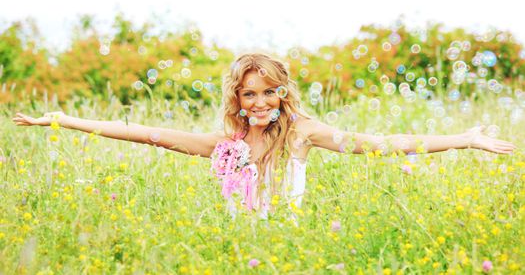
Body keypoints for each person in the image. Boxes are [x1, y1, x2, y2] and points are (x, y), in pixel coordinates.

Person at [12, 53, 516, 218]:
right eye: (248, 95)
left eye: (268, 93)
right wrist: (61, 119)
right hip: (235, 247)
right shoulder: (223, 145)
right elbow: (146, 133)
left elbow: (381, 145)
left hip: (290, 247)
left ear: (282, 94)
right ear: (236, 98)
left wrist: (463, 138)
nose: (259, 104)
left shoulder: (302, 134)